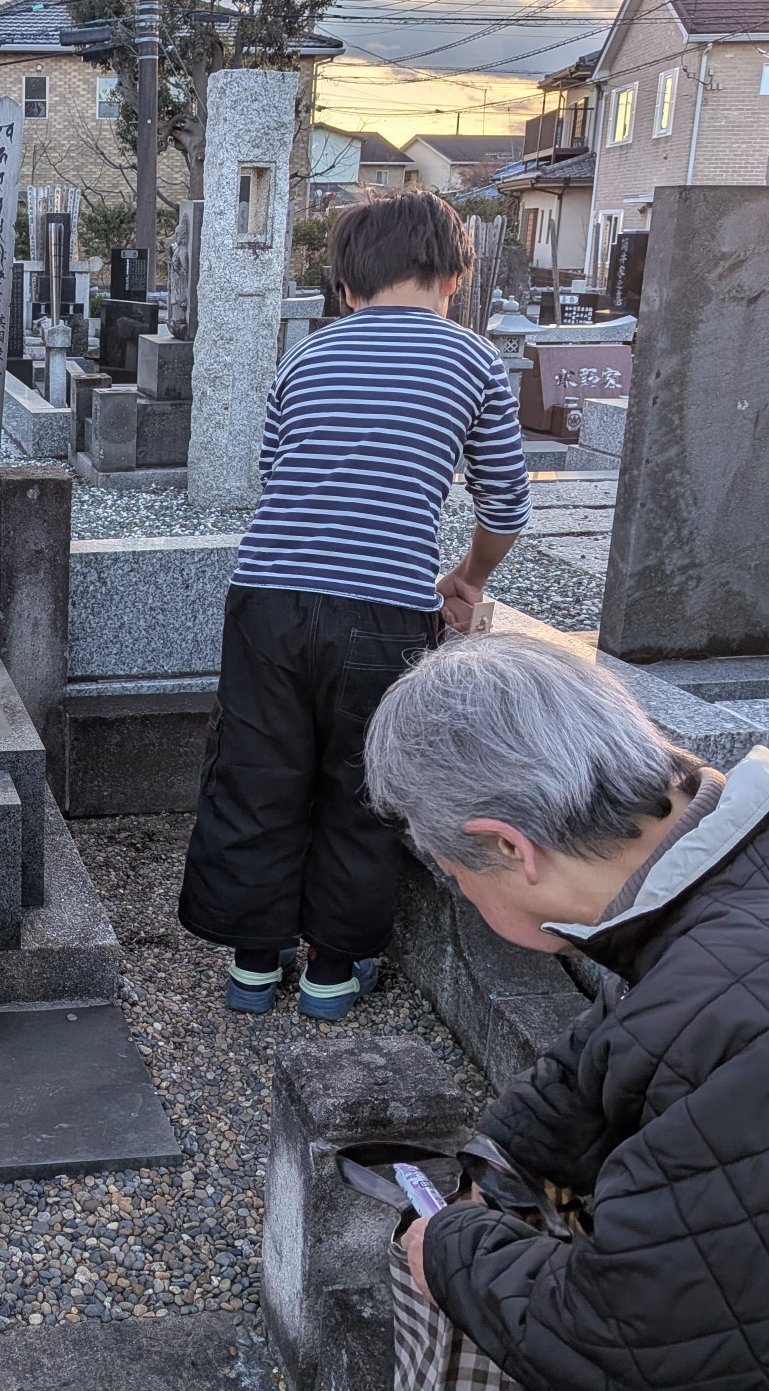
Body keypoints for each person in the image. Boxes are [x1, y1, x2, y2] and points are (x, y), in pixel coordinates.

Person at [365, 632, 769, 1387]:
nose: (462, 893)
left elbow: (644, 1347)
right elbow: (634, 1027)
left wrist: (447, 1251)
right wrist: (507, 1155)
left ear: (508, 847)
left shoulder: (760, 1022)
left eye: (452, 874)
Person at [178, 192, 530, 1020]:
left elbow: (277, 476)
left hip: (266, 597)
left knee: (257, 774)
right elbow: (506, 506)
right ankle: (331, 973)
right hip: (385, 608)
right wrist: (469, 578)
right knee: (364, 782)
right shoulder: (474, 360)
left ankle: (253, 965)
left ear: (345, 286)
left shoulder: (306, 357)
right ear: (453, 276)